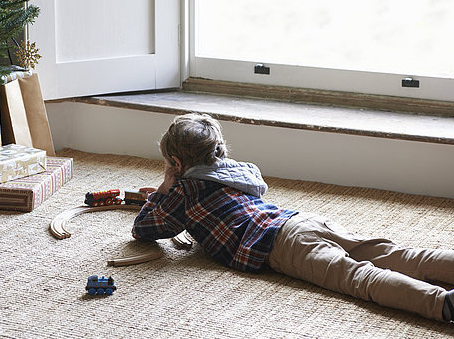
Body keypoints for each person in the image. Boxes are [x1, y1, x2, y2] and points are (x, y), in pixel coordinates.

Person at [132, 113, 454, 323]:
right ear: (218, 150)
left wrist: (164, 185)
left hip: (283, 244)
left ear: (174, 161)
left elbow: (143, 229)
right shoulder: (236, 171)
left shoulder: (182, 192)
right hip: (303, 220)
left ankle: (441, 304)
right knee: (393, 253)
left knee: (357, 277)